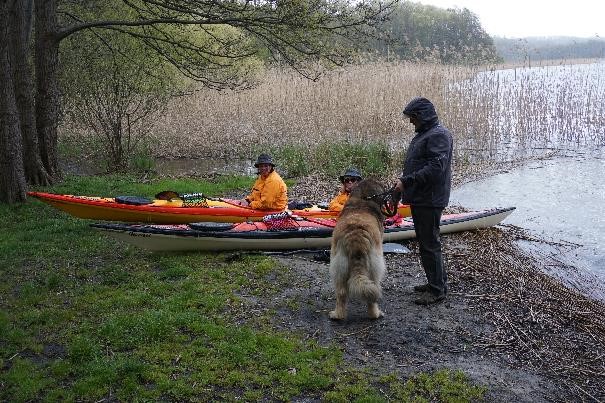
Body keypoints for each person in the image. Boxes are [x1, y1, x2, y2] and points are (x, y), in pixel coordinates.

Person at [394, 97, 453, 306]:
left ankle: (437, 290)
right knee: (427, 243)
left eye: (413, 118)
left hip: (430, 199)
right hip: (422, 197)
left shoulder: (438, 136)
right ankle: (437, 282)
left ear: (422, 116)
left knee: (429, 244)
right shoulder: (427, 134)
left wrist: (406, 181)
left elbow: (436, 169)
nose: (411, 122)